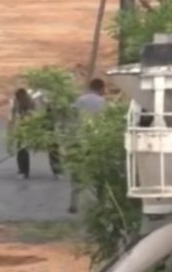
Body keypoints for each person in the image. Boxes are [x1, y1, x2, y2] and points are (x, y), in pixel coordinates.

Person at [69, 78, 107, 212]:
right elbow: (104, 122)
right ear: (100, 89)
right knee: (99, 174)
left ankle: (73, 203)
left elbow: (72, 119)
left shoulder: (80, 100)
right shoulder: (102, 102)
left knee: (76, 174)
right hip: (95, 142)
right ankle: (100, 203)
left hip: (79, 140)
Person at [7, 87, 62, 180]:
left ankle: (58, 171)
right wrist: (11, 136)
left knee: (52, 144)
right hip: (27, 120)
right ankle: (23, 171)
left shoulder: (37, 101)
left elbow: (39, 117)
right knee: (21, 144)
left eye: (23, 101)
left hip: (45, 117)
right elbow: (11, 119)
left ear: (26, 98)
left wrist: (34, 134)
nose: (21, 103)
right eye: (19, 101)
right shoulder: (14, 102)